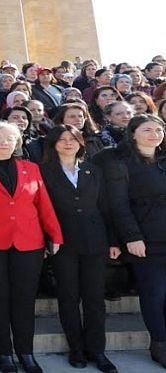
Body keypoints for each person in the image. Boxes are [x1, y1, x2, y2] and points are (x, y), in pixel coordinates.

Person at [0, 122, 63, 373]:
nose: (4, 143)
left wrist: (55, 235)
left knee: (25, 299)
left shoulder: (30, 168)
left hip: (28, 242)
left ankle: (25, 352)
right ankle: (4, 353)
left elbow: (43, 204)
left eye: (10, 138)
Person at [39, 125, 119, 373]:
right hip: (62, 242)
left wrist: (113, 241)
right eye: (61, 139)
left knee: (95, 298)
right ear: (53, 144)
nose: (67, 143)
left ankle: (97, 350)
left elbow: (106, 206)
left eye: (73, 138)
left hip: (95, 241)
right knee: (69, 297)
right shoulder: (43, 172)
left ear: (81, 142)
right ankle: (76, 348)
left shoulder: (92, 170)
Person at [94, 115, 166, 369]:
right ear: (133, 134)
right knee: (155, 293)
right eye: (148, 130)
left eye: (159, 129)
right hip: (145, 240)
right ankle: (160, 343)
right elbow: (118, 204)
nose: (155, 134)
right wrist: (132, 237)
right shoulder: (120, 162)